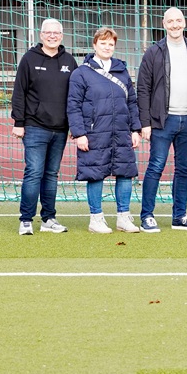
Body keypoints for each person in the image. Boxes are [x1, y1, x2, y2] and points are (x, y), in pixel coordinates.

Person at [67, 27, 143, 234]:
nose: (107, 47)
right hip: (94, 133)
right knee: (95, 174)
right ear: (94, 45)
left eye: (111, 44)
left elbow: (132, 102)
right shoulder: (80, 73)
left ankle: (123, 218)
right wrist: (79, 133)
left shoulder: (122, 71)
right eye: (103, 43)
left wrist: (135, 129)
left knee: (125, 173)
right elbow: (73, 105)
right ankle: (96, 219)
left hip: (120, 131)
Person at [137, 7, 187, 232]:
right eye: (170, 21)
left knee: (184, 169)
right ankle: (147, 215)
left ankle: (180, 216)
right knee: (156, 167)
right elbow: (143, 88)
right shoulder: (154, 52)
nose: (175, 25)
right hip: (162, 121)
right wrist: (145, 122)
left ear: (184, 23)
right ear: (164, 24)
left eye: (179, 21)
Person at [10, 18, 78, 235]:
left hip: (60, 130)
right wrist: (18, 122)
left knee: (51, 174)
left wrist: (75, 127)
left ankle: (49, 218)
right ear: (41, 35)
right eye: (48, 32)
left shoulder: (69, 61)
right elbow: (19, 93)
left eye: (56, 32)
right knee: (33, 172)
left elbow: (75, 97)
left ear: (62, 35)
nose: (52, 36)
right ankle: (26, 220)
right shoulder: (29, 59)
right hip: (34, 127)